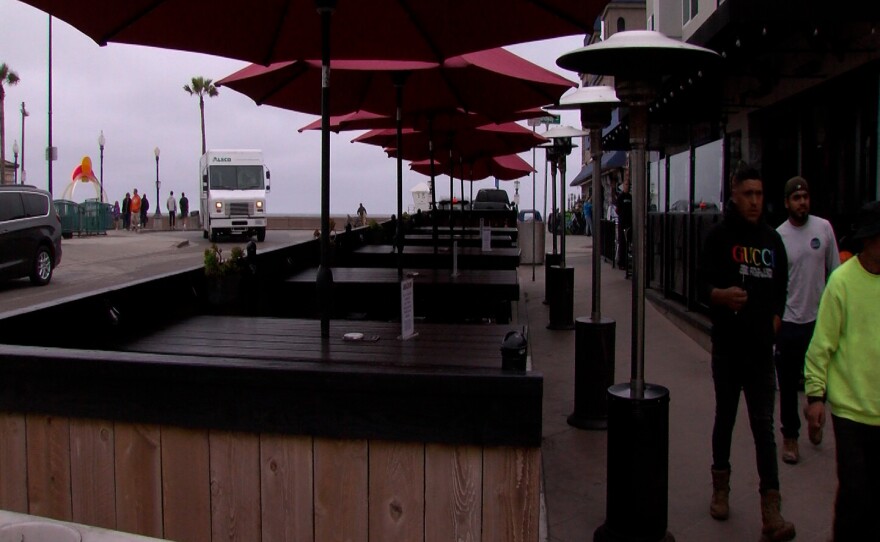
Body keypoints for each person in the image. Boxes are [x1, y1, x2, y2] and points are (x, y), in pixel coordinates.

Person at [700, 165, 795, 541]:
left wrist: (775, 318)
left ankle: (771, 510)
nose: (755, 201)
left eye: (759, 194)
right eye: (748, 194)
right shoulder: (718, 237)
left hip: (760, 353)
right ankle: (720, 487)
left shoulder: (773, 241)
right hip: (727, 349)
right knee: (725, 419)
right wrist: (720, 296)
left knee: (764, 430)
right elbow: (700, 282)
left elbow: (782, 287)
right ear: (735, 195)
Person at [804, 200, 880, 541]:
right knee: (855, 495)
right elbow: (822, 345)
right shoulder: (842, 283)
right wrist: (816, 396)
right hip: (850, 410)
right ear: (868, 240)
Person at [774, 176, 840, 464]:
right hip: (789, 322)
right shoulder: (779, 237)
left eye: (805, 197)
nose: (802, 203)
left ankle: (816, 417)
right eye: (796, 198)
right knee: (788, 385)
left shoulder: (823, 228)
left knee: (820, 381)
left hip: (818, 322)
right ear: (787, 202)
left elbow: (836, 274)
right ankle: (790, 436)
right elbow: (775, 285)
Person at [616, 179, 632, 271]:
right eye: (626, 184)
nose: (628, 186)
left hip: (629, 223)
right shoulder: (621, 197)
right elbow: (617, 210)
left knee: (628, 242)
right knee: (622, 242)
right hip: (622, 222)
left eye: (629, 185)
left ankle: (627, 261)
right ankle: (621, 262)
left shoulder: (630, 197)